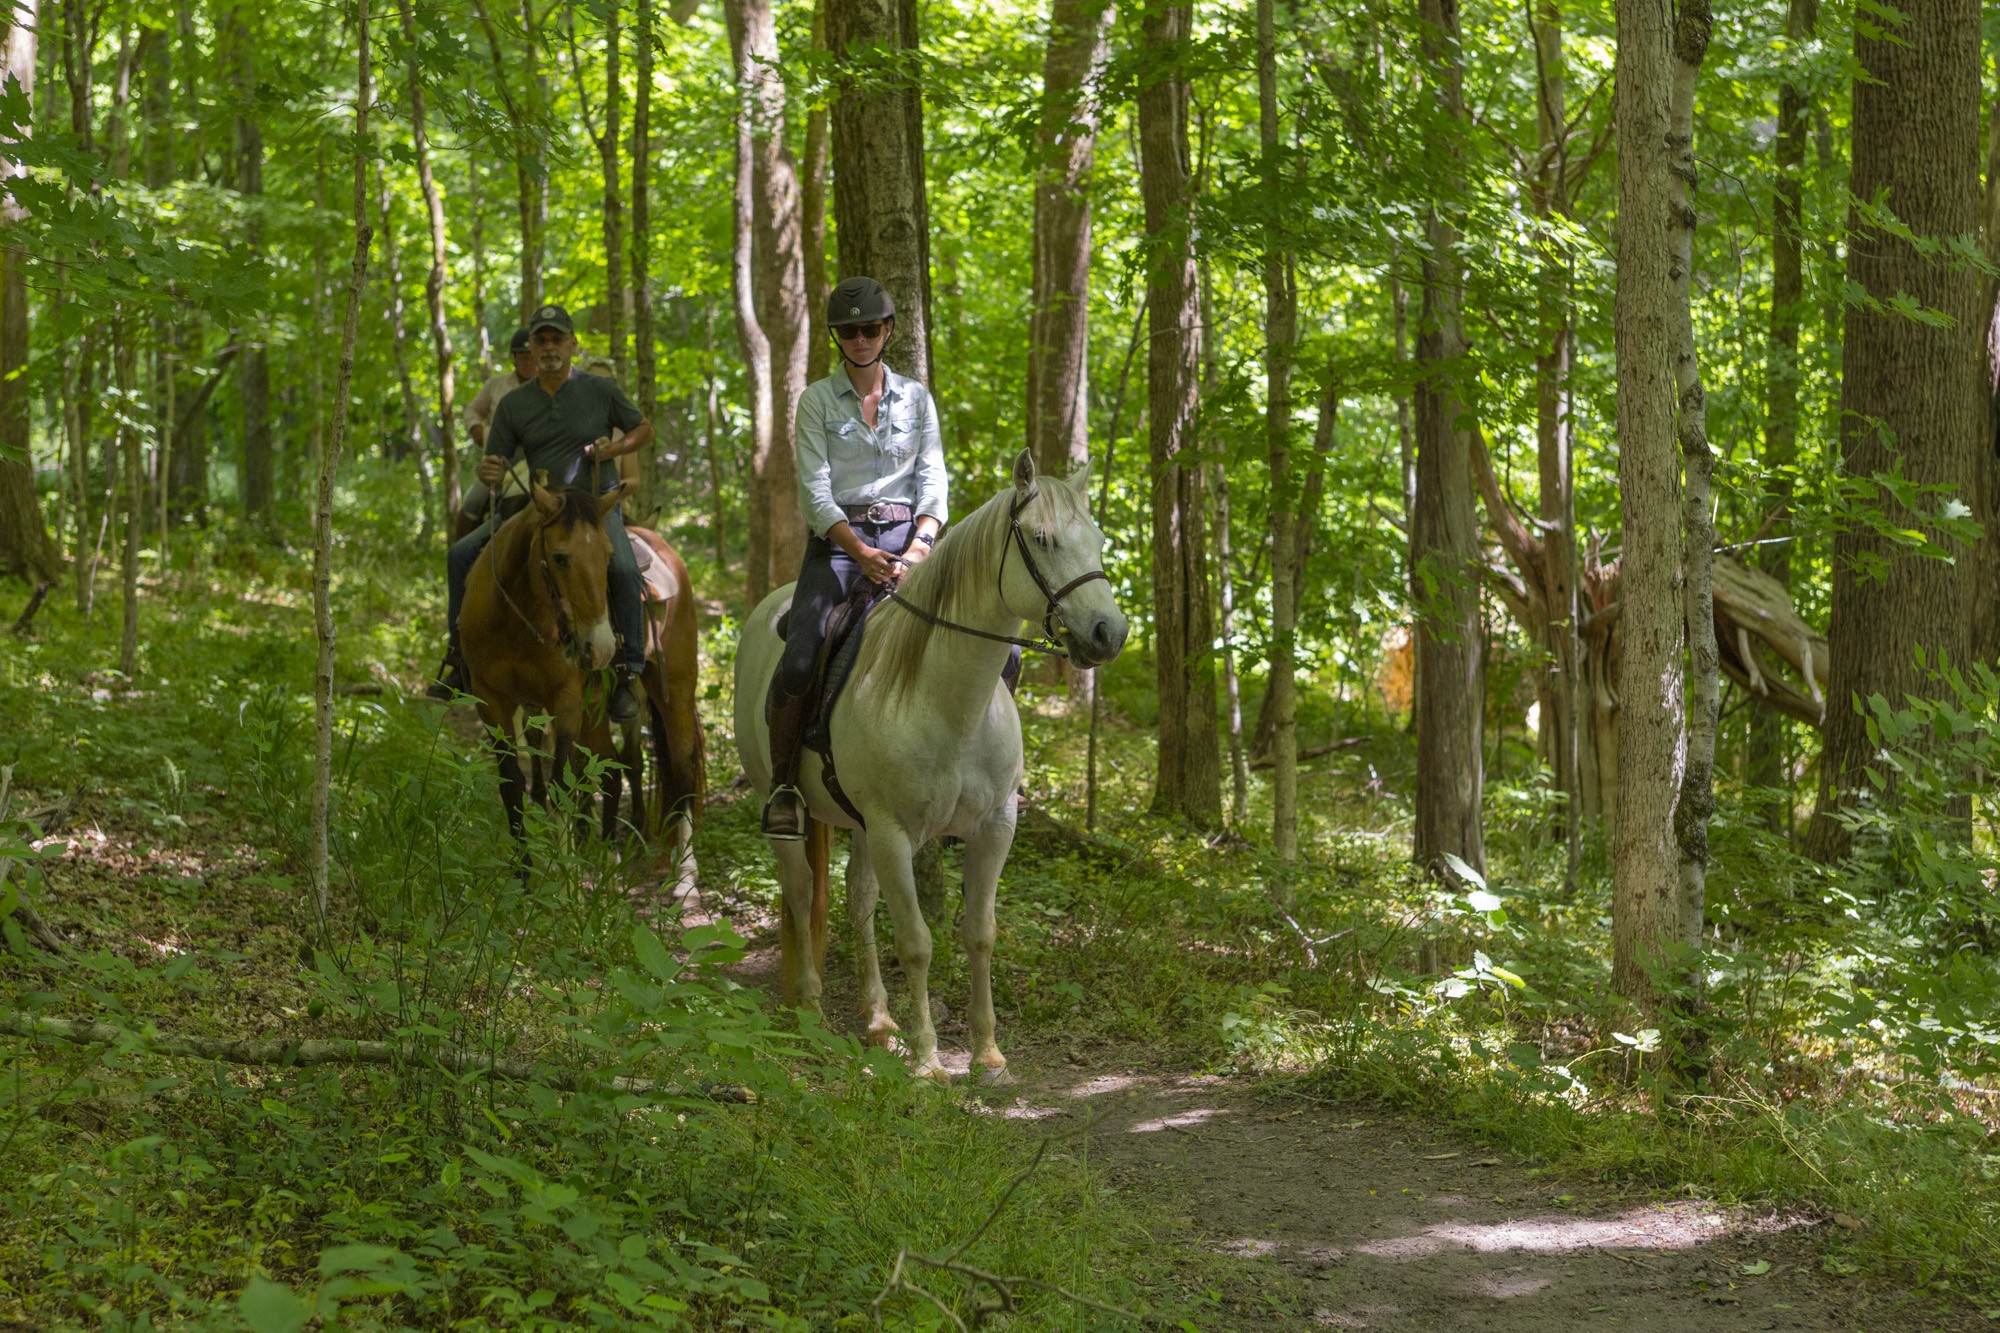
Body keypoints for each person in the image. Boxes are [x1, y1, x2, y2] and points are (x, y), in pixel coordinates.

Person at [761, 275, 947, 840]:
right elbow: (815, 492)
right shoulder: (816, 400)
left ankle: (989, 778)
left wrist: (920, 545)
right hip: (840, 546)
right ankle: (785, 786)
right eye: (849, 331)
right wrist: (860, 551)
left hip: (910, 541)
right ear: (837, 338)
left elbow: (932, 475)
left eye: (869, 328)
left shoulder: (916, 397)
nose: (860, 338)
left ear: (887, 330)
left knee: (992, 643)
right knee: (799, 658)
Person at [428, 304, 653, 725]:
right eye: (541, 340)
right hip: (543, 509)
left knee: (622, 568)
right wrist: (489, 470)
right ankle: (459, 659)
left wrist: (615, 450)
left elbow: (644, 429)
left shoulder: (599, 391)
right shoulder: (514, 404)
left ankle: (629, 671)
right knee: (461, 554)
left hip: (595, 506)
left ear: (572, 344)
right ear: (531, 347)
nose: (549, 347)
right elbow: (496, 461)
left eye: (557, 339)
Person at [458, 327, 537, 524]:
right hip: (501, 459)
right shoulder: (496, 385)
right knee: (471, 504)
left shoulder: (547, 388)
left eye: (531, 356)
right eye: (522, 356)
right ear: (514, 358)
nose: (527, 362)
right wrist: (478, 430)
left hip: (534, 458)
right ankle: (464, 551)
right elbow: (472, 410)